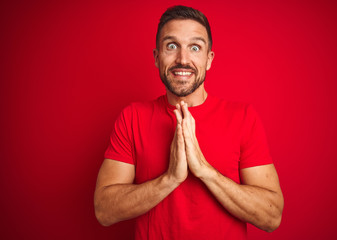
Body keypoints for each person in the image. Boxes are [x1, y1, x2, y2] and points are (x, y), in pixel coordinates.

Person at [94, 5, 284, 240]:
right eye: (171, 46)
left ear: (209, 59)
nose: (183, 59)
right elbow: (104, 210)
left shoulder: (243, 117)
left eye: (195, 47)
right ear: (156, 57)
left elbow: (272, 216)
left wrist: (204, 170)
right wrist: (170, 178)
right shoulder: (132, 117)